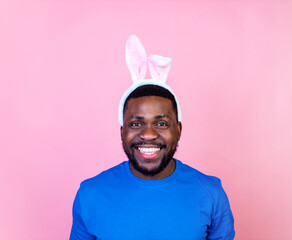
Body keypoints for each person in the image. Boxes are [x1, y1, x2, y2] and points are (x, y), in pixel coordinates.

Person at [70, 35, 235, 240]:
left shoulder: (211, 193)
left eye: (161, 123)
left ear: (178, 130)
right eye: (136, 123)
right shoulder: (90, 194)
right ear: (122, 131)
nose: (148, 134)